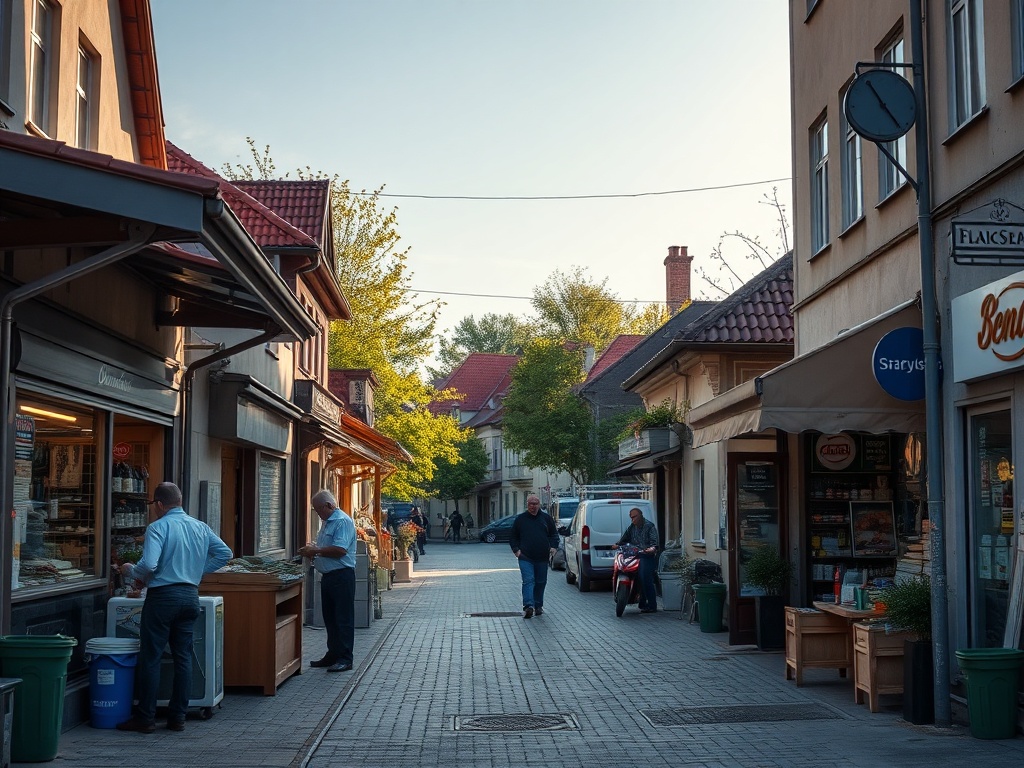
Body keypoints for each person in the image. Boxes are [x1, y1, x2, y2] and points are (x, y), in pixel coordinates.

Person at [117, 482, 231, 733]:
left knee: (151, 657)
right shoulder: (200, 526)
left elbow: (148, 564)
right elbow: (225, 553)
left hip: (162, 598)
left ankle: (146, 718)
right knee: (183, 657)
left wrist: (132, 572)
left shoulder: (158, 527)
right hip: (190, 595)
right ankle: (177, 717)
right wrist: (195, 572)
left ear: (159, 504)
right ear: (179, 501)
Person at [298, 490, 357, 673]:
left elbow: (340, 549)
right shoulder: (327, 522)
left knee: (343, 619)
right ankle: (333, 654)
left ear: (329, 506)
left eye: (318, 509)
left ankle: (345, 658)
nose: (317, 513)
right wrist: (314, 550)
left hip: (342, 576)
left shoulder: (341, 521)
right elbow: (325, 547)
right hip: (329, 576)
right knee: (330, 619)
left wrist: (314, 551)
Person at [509, 494, 558, 619]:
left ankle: (538, 605)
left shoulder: (546, 519)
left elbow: (553, 534)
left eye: (535, 504)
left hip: (542, 557)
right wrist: (516, 550)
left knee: (541, 582)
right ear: (527, 505)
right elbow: (513, 536)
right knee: (528, 580)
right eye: (531, 504)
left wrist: (553, 547)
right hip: (525, 557)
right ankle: (528, 606)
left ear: (539, 505)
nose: (533, 506)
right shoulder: (521, 519)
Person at [616, 506, 659, 613]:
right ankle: (641, 602)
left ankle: (652, 605)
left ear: (640, 516)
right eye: (631, 517)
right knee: (635, 576)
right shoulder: (632, 527)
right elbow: (624, 538)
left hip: (646, 556)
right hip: (634, 555)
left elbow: (655, 543)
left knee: (645, 579)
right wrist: (617, 544)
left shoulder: (649, 526)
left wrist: (651, 549)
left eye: (634, 517)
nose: (633, 519)